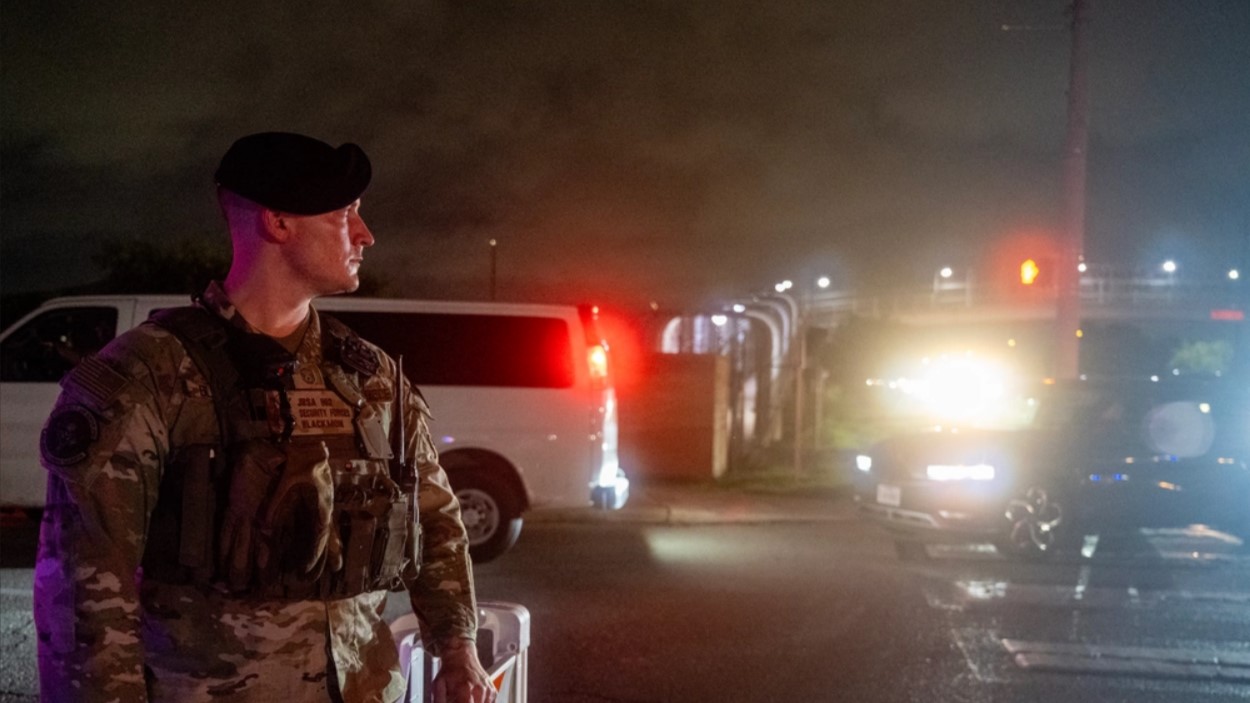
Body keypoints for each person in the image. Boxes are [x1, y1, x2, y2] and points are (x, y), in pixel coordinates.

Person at [34, 132, 496, 703]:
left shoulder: (370, 377)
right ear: (278, 223)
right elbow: (87, 596)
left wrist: (457, 648)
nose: (366, 234)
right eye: (344, 214)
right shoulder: (147, 377)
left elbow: (435, 521)